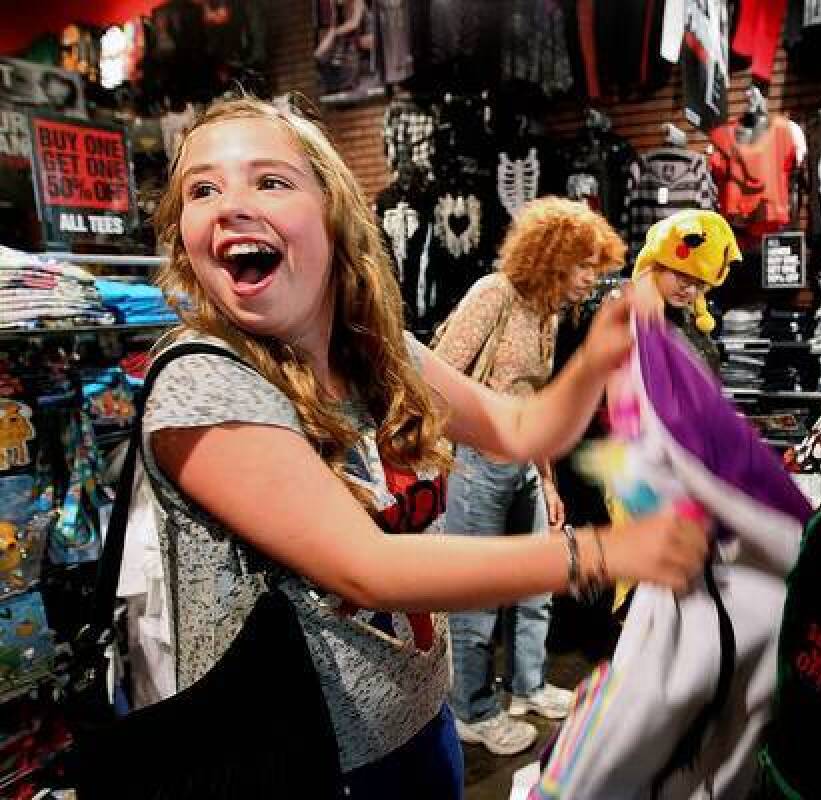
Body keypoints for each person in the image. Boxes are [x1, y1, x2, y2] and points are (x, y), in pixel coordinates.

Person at [145, 94, 708, 798]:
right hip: (298, 767)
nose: (230, 204)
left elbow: (519, 428)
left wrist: (597, 359)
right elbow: (367, 568)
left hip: (416, 728)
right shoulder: (203, 378)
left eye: (269, 180)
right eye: (202, 188)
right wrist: (599, 553)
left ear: (332, 213)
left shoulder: (377, 352)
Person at [433, 197, 623, 754]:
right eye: (583, 264)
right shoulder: (493, 294)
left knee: (539, 579)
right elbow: (437, 376)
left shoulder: (548, 312)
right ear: (551, 257)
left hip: (522, 463)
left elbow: (532, 400)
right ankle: (473, 709)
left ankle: (528, 686)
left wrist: (546, 478)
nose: (592, 277)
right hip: (476, 462)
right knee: (476, 591)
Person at [631, 209, 742, 374]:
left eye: (699, 285)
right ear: (656, 265)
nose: (689, 290)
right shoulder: (627, 318)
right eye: (682, 277)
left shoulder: (690, 320)